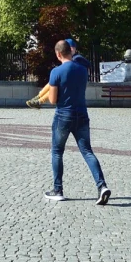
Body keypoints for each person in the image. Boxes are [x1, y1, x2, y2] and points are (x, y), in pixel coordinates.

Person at [43, 40, 110, 205]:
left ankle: (57, 190)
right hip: (82, 114)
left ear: (58, 54)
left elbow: (52, 100)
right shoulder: (82, 70)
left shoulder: (56, 72)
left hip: (63, 115)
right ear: (70, 52)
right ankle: (102, 186)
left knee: (57, 152)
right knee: (87, 151)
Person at [27, 38, 91, 109]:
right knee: (51, 84)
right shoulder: (74, 58)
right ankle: (38, 97)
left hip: (73, 81)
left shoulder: (77, 58)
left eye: (71, 48)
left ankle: (39, 101)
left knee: (54, 86)